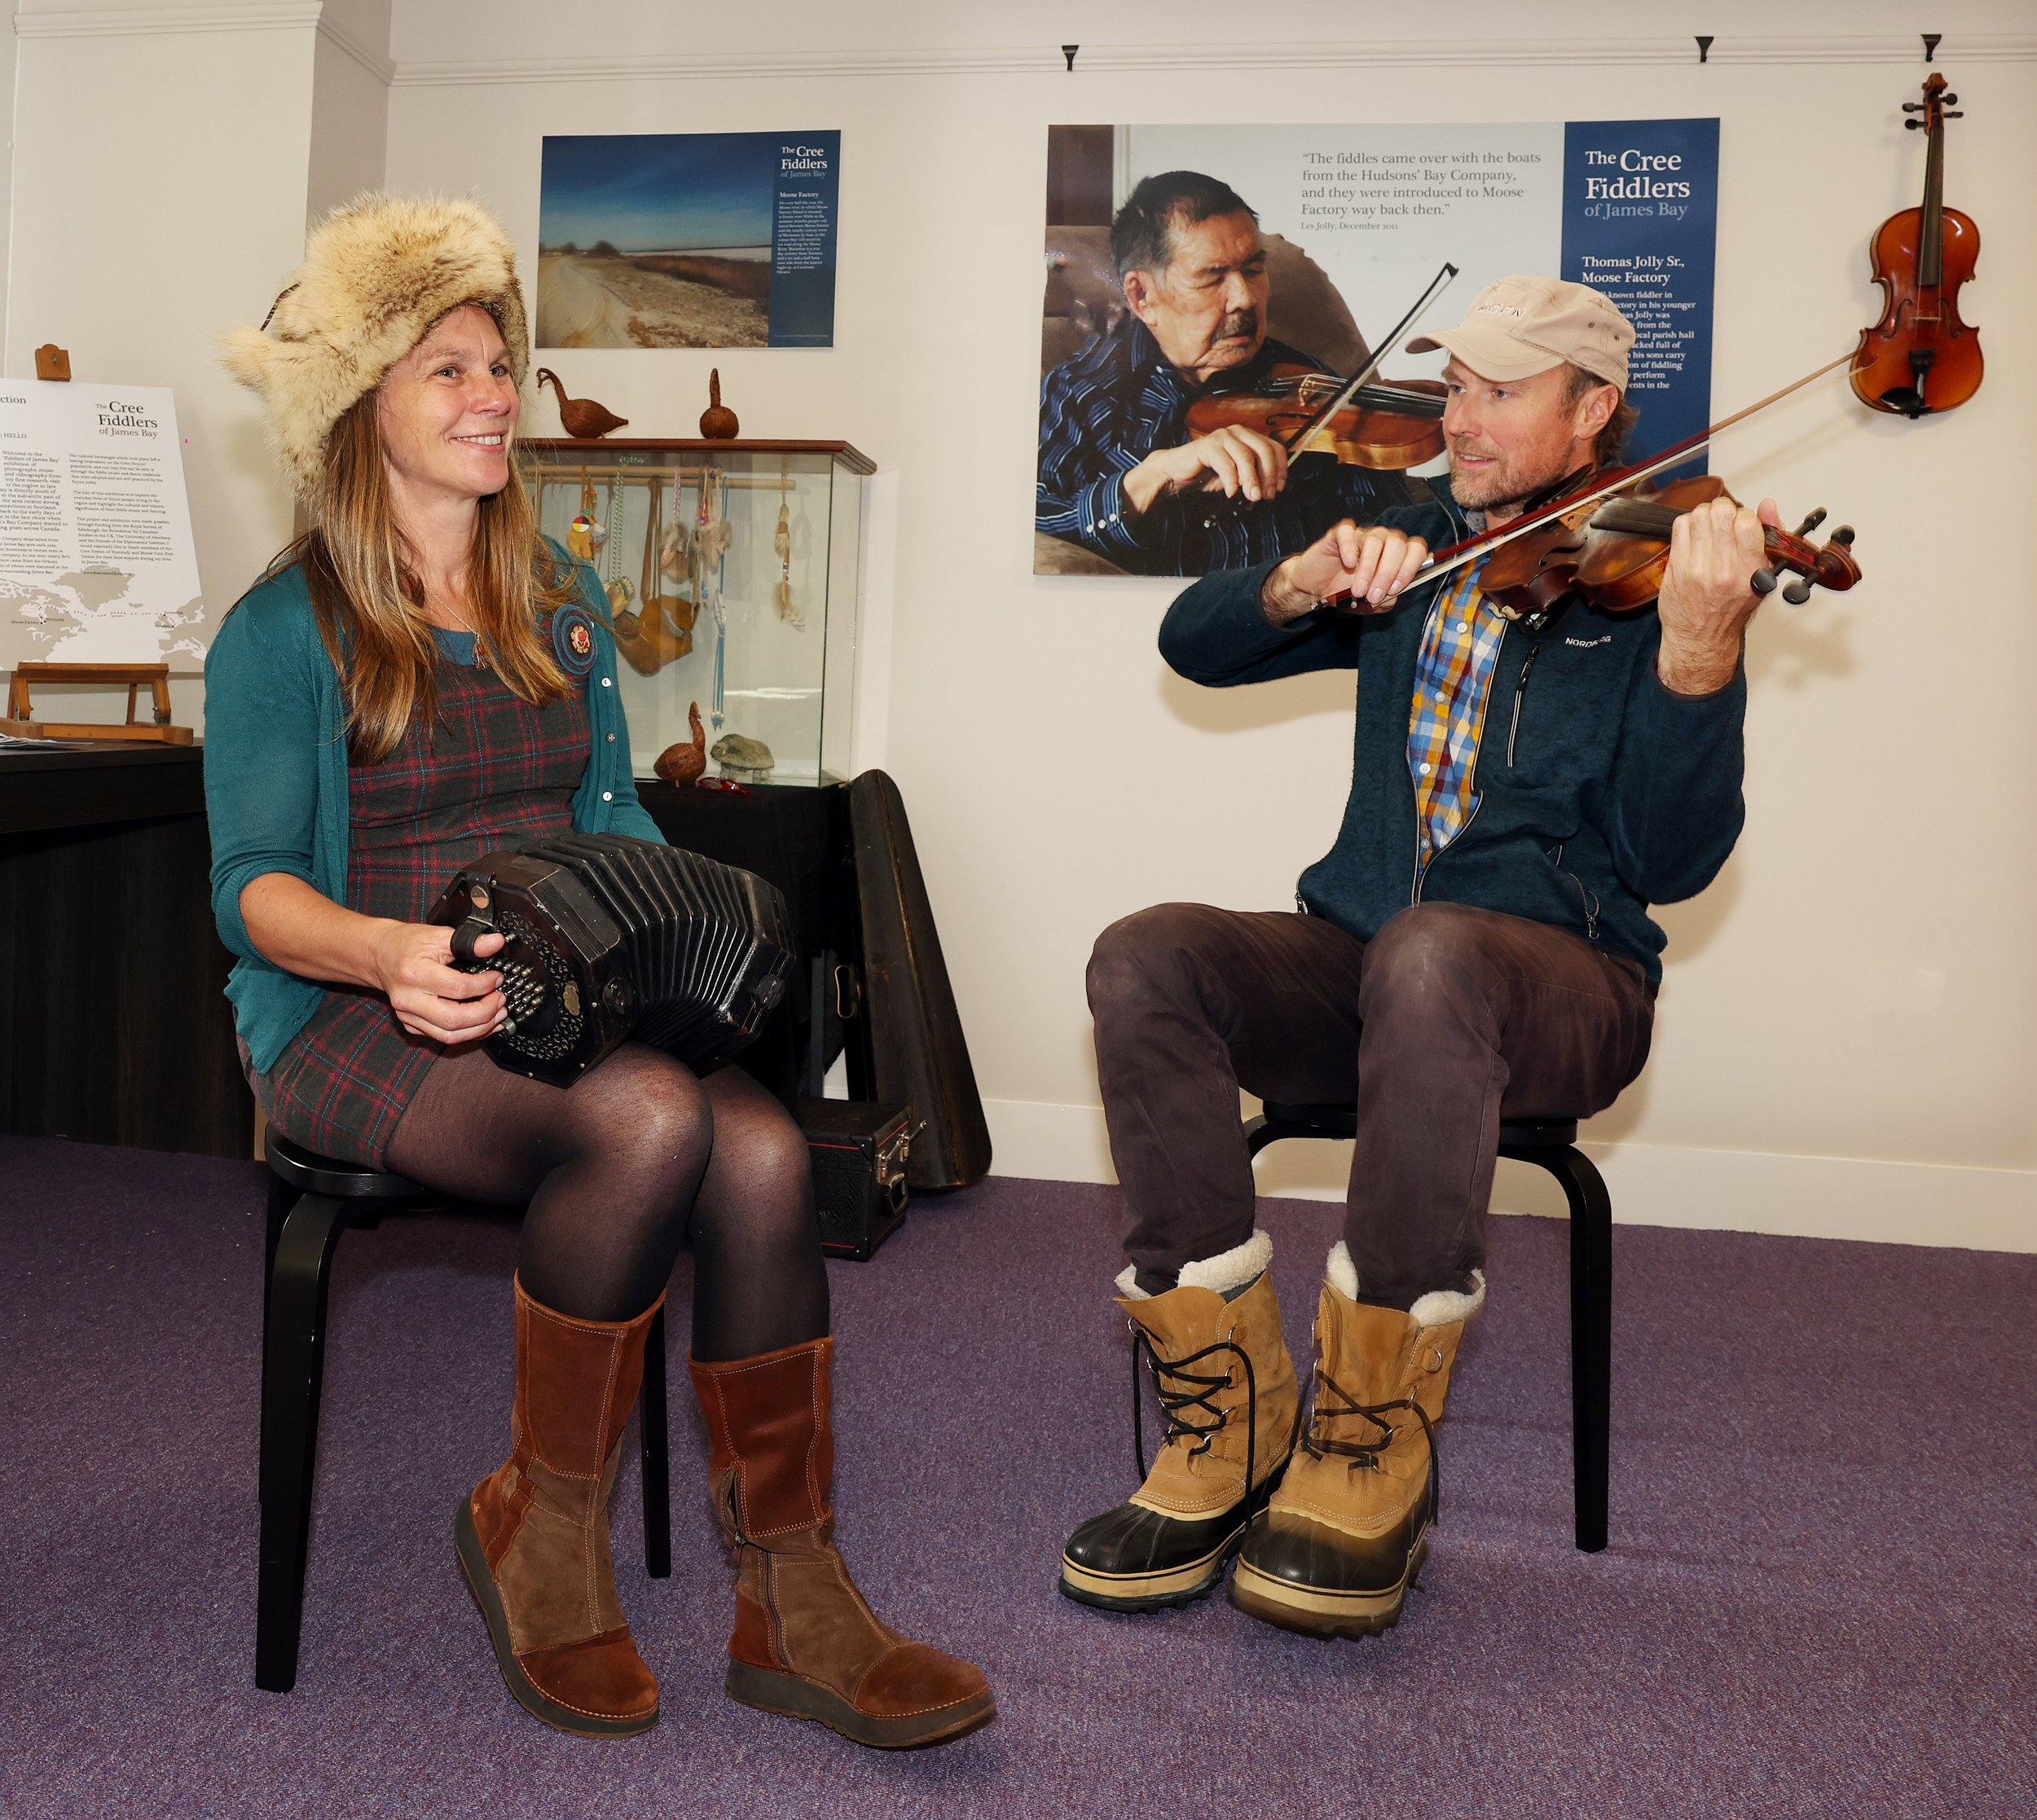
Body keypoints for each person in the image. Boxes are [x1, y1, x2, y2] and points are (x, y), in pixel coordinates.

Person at [209, 194, 993, 1747]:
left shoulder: (557, 601)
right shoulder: (280, 628)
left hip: (557, 989)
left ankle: (794, 1590)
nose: (494, 390)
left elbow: (612, 821)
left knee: (764, 1144)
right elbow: (251, 894)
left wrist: (675, 932)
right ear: (359, 406)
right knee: (648, 1123)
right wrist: (389, 953)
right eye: (447, 368)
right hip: (358, 1013)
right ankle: (541, 1531)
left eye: (497, 360)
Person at [1060, 275, 1780, 1637]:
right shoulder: (1403, 535)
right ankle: (1235, 1404)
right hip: (1367, 953)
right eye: (1456, 385)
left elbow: (1673, 859)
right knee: (1144, 956)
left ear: (1595, 410)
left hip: (1563, 983)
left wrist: (1696, 657)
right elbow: (1190, 645)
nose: (1464, 415)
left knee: (1437, 951)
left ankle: (1373, 1428)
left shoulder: (1656, 570)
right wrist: (1299, 574)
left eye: (1503, 391)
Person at [1037, 169, 1410, 576]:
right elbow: (1033, 520)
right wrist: (1154, 476)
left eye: (1253, 270)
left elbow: (1391, 525)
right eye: (1213, 277)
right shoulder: (1080, 391)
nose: (1245, 298)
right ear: (1142, 296)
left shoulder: (1311, 384)